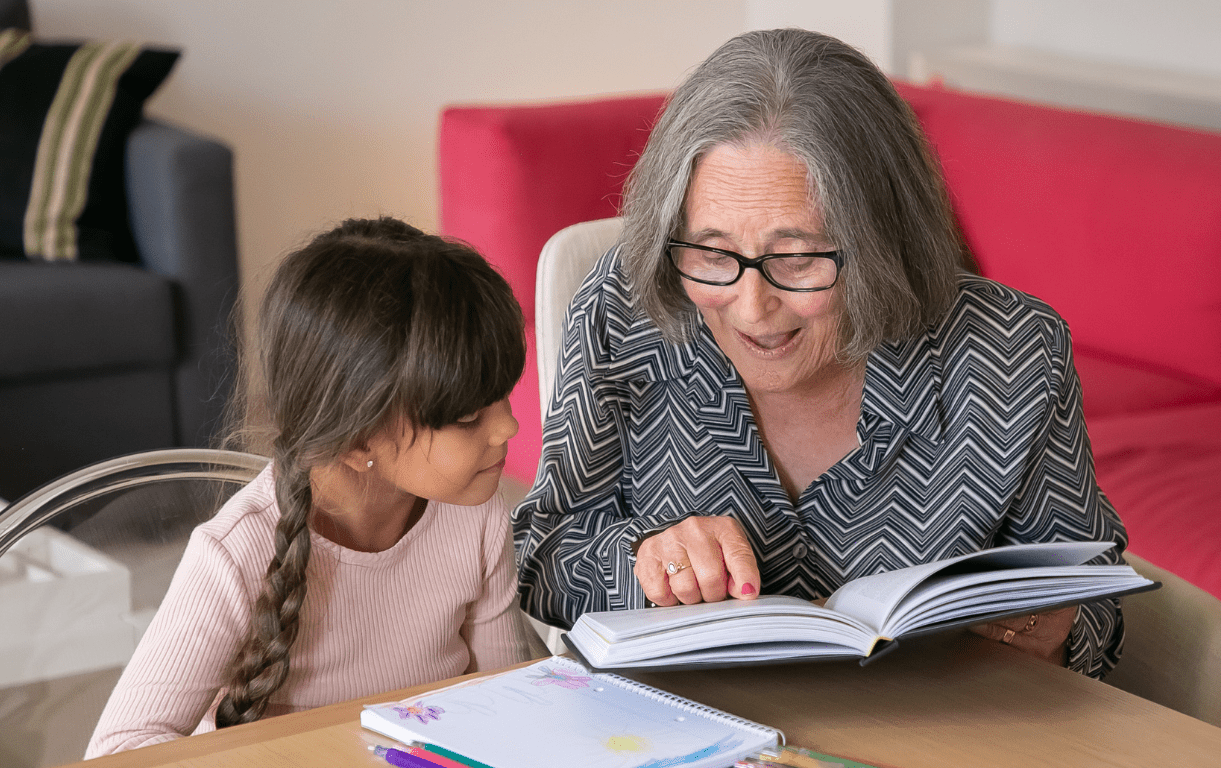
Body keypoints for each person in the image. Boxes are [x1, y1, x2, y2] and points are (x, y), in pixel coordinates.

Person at [513, 29, 1128, 677]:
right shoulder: (628, 306)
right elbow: (542, 554)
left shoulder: (1012, 352)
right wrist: (641, 557)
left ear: (882, 240)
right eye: (713, 254)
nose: (751, 308)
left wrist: (1051, 629)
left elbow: (1094, 592)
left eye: (798, 259)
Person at [87, 217, 541, 756]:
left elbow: (507, 701)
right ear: (356, 440)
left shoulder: (474, 510)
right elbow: (118, 750)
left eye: (504, 395)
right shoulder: (236, 553)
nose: (508, 427)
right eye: (468, 417)